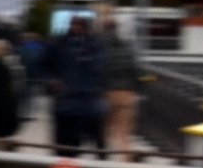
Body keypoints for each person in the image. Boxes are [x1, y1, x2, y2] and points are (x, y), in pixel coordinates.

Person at [46, 15, 108, 156]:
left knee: (92, 141)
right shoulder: (59, 44)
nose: (75, 27)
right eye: (73, 24)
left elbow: (101, 69)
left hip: (87, 102)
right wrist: (51, 80)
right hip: (66, 102)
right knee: (65, 145)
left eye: (79, 25)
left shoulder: (94, 45)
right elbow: (44, 64)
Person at [101, 11, 147, 158]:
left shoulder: (99, 47)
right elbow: (137, 70)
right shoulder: (127, 48)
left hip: (107, 93)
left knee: (106, 130)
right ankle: (127, 156)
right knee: (124, 130)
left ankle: (104, 159)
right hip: (127, 94)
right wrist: (138, 90)